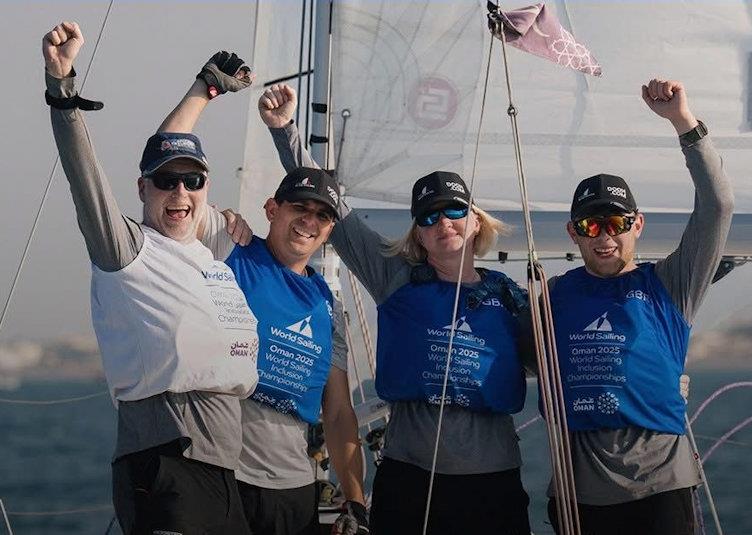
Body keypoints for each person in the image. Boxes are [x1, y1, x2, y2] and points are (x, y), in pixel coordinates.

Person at [266, 86, 532, 535]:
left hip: (493, 483)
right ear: (418, 236)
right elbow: (335, 211)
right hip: (411, 478)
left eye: (454, 211)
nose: (442, 222)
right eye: (428, 217)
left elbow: (554, 362)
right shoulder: (396, 279)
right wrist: (284, 130)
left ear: (475, 220)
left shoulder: (511, 298)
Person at [43, 22, 263, 535]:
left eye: (192, 180)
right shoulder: (128, 251)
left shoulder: (212, 252)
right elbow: (84, 175)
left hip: (225, 470)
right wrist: (62, 87)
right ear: (143, 189)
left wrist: (206, 88)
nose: (180, 192)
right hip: (166, 461)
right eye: (166, 181)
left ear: (206, 187)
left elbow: (169, 146)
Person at [159, 78, 368, 535]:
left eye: (322, 215)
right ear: (272, 209)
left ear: (330, 230)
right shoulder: (228, 245)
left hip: (292, 491)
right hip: (218, 477)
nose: (309, 221)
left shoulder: (328, 306)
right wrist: (203, 90)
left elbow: (337, 412)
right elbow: (167, 164)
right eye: (299, 208)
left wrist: (355, 500)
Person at [546, 78, 734, 534]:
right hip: (578, 493)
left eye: (616, 223)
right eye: (590, 226)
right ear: (574, 233)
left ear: (638, 225)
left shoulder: (671, 283)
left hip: (661, 491)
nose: (605, 237)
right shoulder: (551, 295)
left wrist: (683, 123)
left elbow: (717, 207)